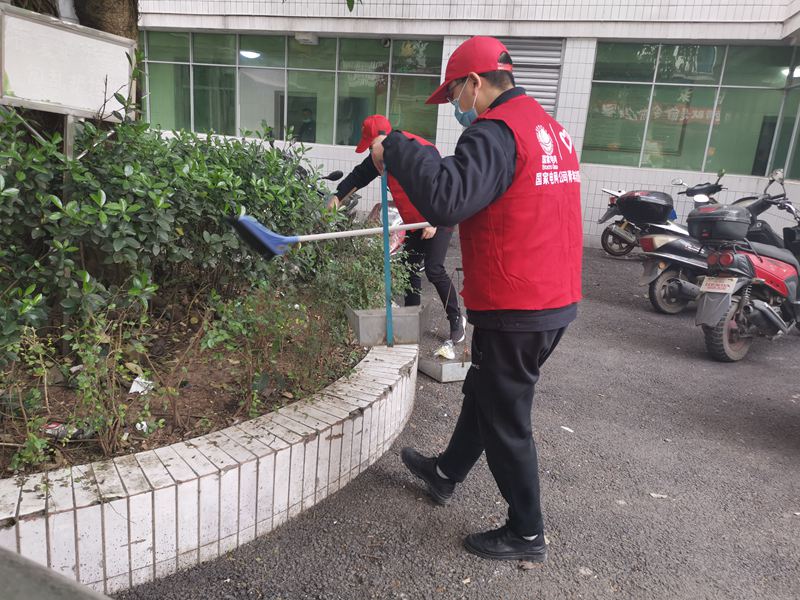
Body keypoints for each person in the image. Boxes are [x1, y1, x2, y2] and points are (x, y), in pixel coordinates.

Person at [368, 37, 582, 562]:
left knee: (506, 418)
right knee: (485, 390)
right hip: (551, 296)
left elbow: (448, 199)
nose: (455, 106)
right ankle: (445, 473)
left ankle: (526, 533)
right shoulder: (547, 128)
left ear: (475, 82)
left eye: (454, 95)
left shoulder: (496, 132)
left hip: (519, 305)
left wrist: (398, 147)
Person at [329, 114, 466, 343]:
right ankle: (411, 317)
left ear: (385, 139)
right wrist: (337, 197)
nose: (371, 153)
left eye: (371, 147)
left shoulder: (418, 150)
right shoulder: (379, 158)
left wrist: (432, 220)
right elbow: (358, 177)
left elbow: (439, 185)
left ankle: (456, 317)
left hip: (439, 215)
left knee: (434, 268)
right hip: (413, 220)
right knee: (409, 268)